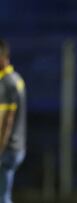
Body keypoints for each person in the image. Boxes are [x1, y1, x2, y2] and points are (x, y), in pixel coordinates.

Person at [0, 39, 26, 203]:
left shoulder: (5, 83)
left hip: (7, 149)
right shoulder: (17, 79)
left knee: (3, 197)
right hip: (19, 146)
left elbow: (6, 121)